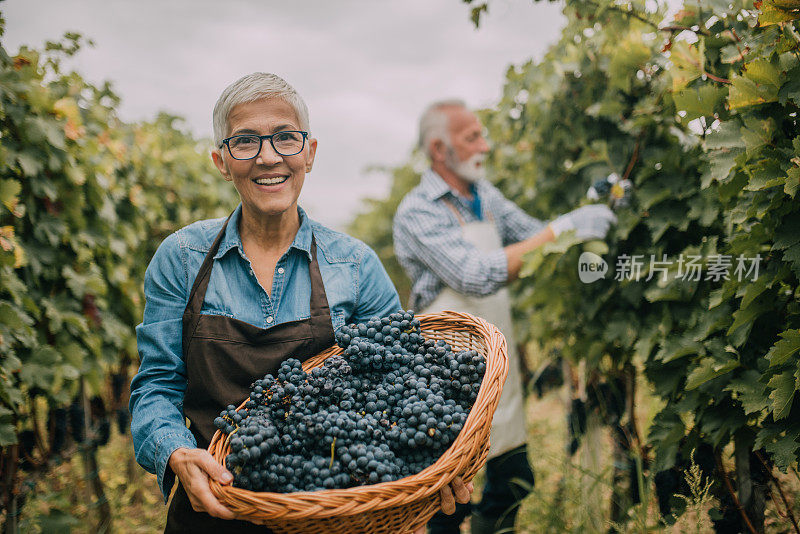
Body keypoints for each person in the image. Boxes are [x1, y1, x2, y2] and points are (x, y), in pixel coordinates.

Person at [129, 74, 470, 533]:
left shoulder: (355, 266)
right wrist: (175, 450)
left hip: (337, 512)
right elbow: (156, 386)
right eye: (245, 141)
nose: (268, 156)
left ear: (309, 152)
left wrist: (433, 463)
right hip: (215, 505)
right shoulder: (182, 259)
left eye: (285, 138)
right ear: (221, 162)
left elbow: (408, 386)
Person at [393, 99, 616, 534]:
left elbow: (537, 237)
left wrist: (581, 214)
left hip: (497, 358)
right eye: (472, 136)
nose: (486, 145)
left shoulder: (486, 196)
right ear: (440, 149)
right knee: (445, 502)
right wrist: (566, 228)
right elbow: (474, 274)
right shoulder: (417, 210)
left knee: (514, 479)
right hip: (445, 372)